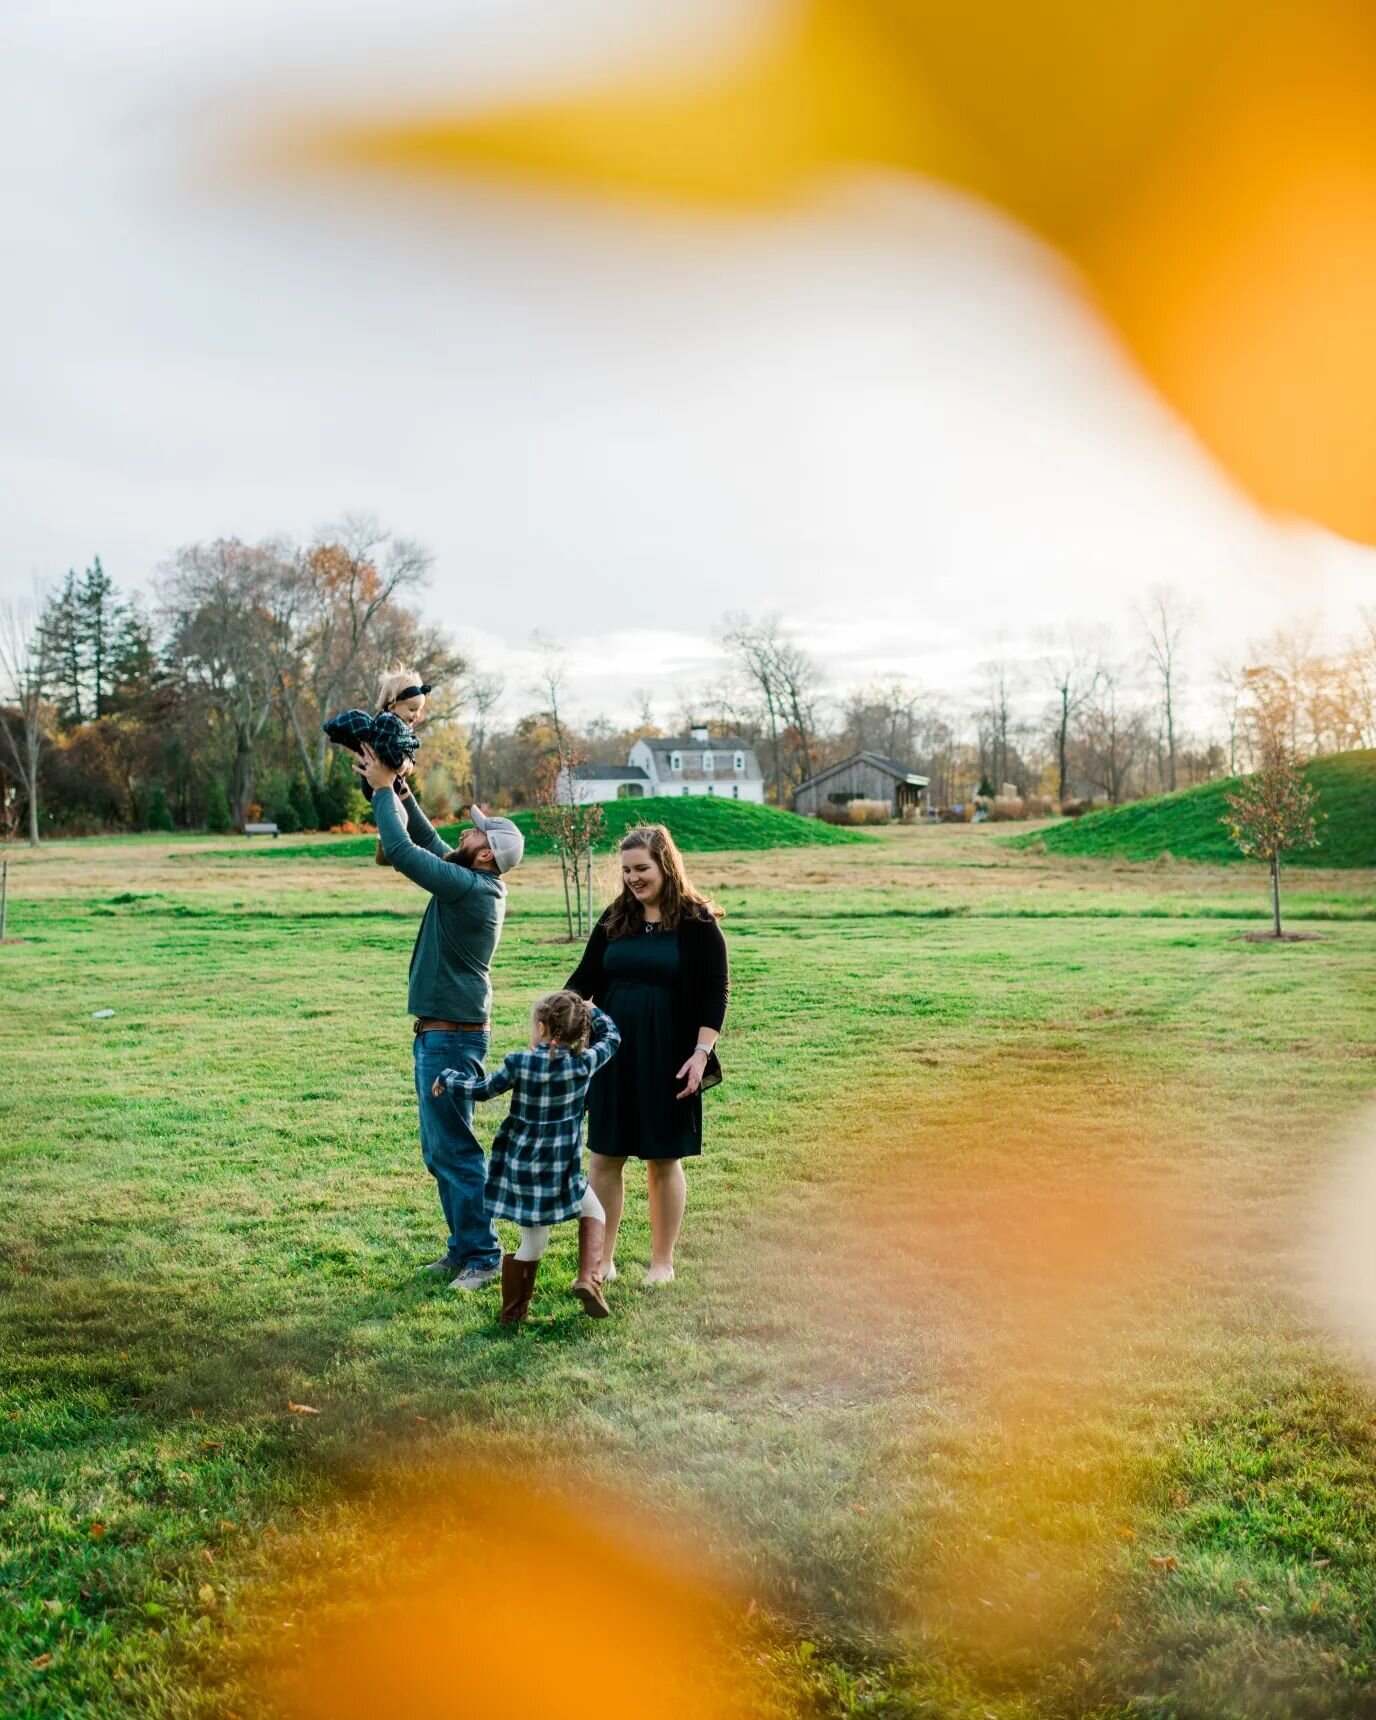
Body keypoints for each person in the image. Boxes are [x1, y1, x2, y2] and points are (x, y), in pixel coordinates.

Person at [358, 741, 525, 1291]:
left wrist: (382, 791)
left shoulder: (473, 891)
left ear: (485, 854)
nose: (466, 832)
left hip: (453, 1041)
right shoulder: (472, 878)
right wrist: (401, 787)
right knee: (440, 1150)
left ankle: (484, 1256)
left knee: (455, 1149)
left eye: (475, 833)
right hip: (441, 1035)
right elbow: (427, 839)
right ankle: (462, 1248)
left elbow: (406, 852)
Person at [566, 825, 728, 1286]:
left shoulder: (696, 922)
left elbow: (717, 991)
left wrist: (701, 1054)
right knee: (604, 1157)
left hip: (670, 1053)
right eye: (626, 871)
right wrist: (559, 1017)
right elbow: (584, 978)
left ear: (665, 865)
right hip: (613, 1052)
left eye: (642, 868)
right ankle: (603, 1259)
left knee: (663, 1159)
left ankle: (662, 1262)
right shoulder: (616, 918)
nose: (634, 878)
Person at [433, 992, 622, 1324]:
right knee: (594, 1211)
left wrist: (447, 1078)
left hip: (522, 1171)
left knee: (533, 1240)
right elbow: (613, 1037)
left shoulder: (518, 1063)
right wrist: (594, 1010)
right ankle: (588, 1279)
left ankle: (513, 1313)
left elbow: (482, 1089)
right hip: (561, 1170)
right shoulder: (583, 1064)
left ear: (540, 1026)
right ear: (580, 1033)